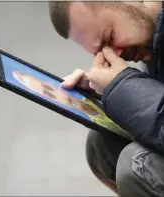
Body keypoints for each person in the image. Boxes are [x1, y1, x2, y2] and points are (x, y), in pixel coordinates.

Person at [48, 1, 164, 197]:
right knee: (102, 144)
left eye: (110, 36)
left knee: (136, 165)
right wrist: (107, 91)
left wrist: (122, 88)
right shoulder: (153, 37)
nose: (116, 55)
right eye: (101, 50)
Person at [12, 71, 131, 139]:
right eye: (49, 96)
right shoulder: (92, 118)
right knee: (95, 141)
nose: (55, 93)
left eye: (48, 87)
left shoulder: (92, 95)